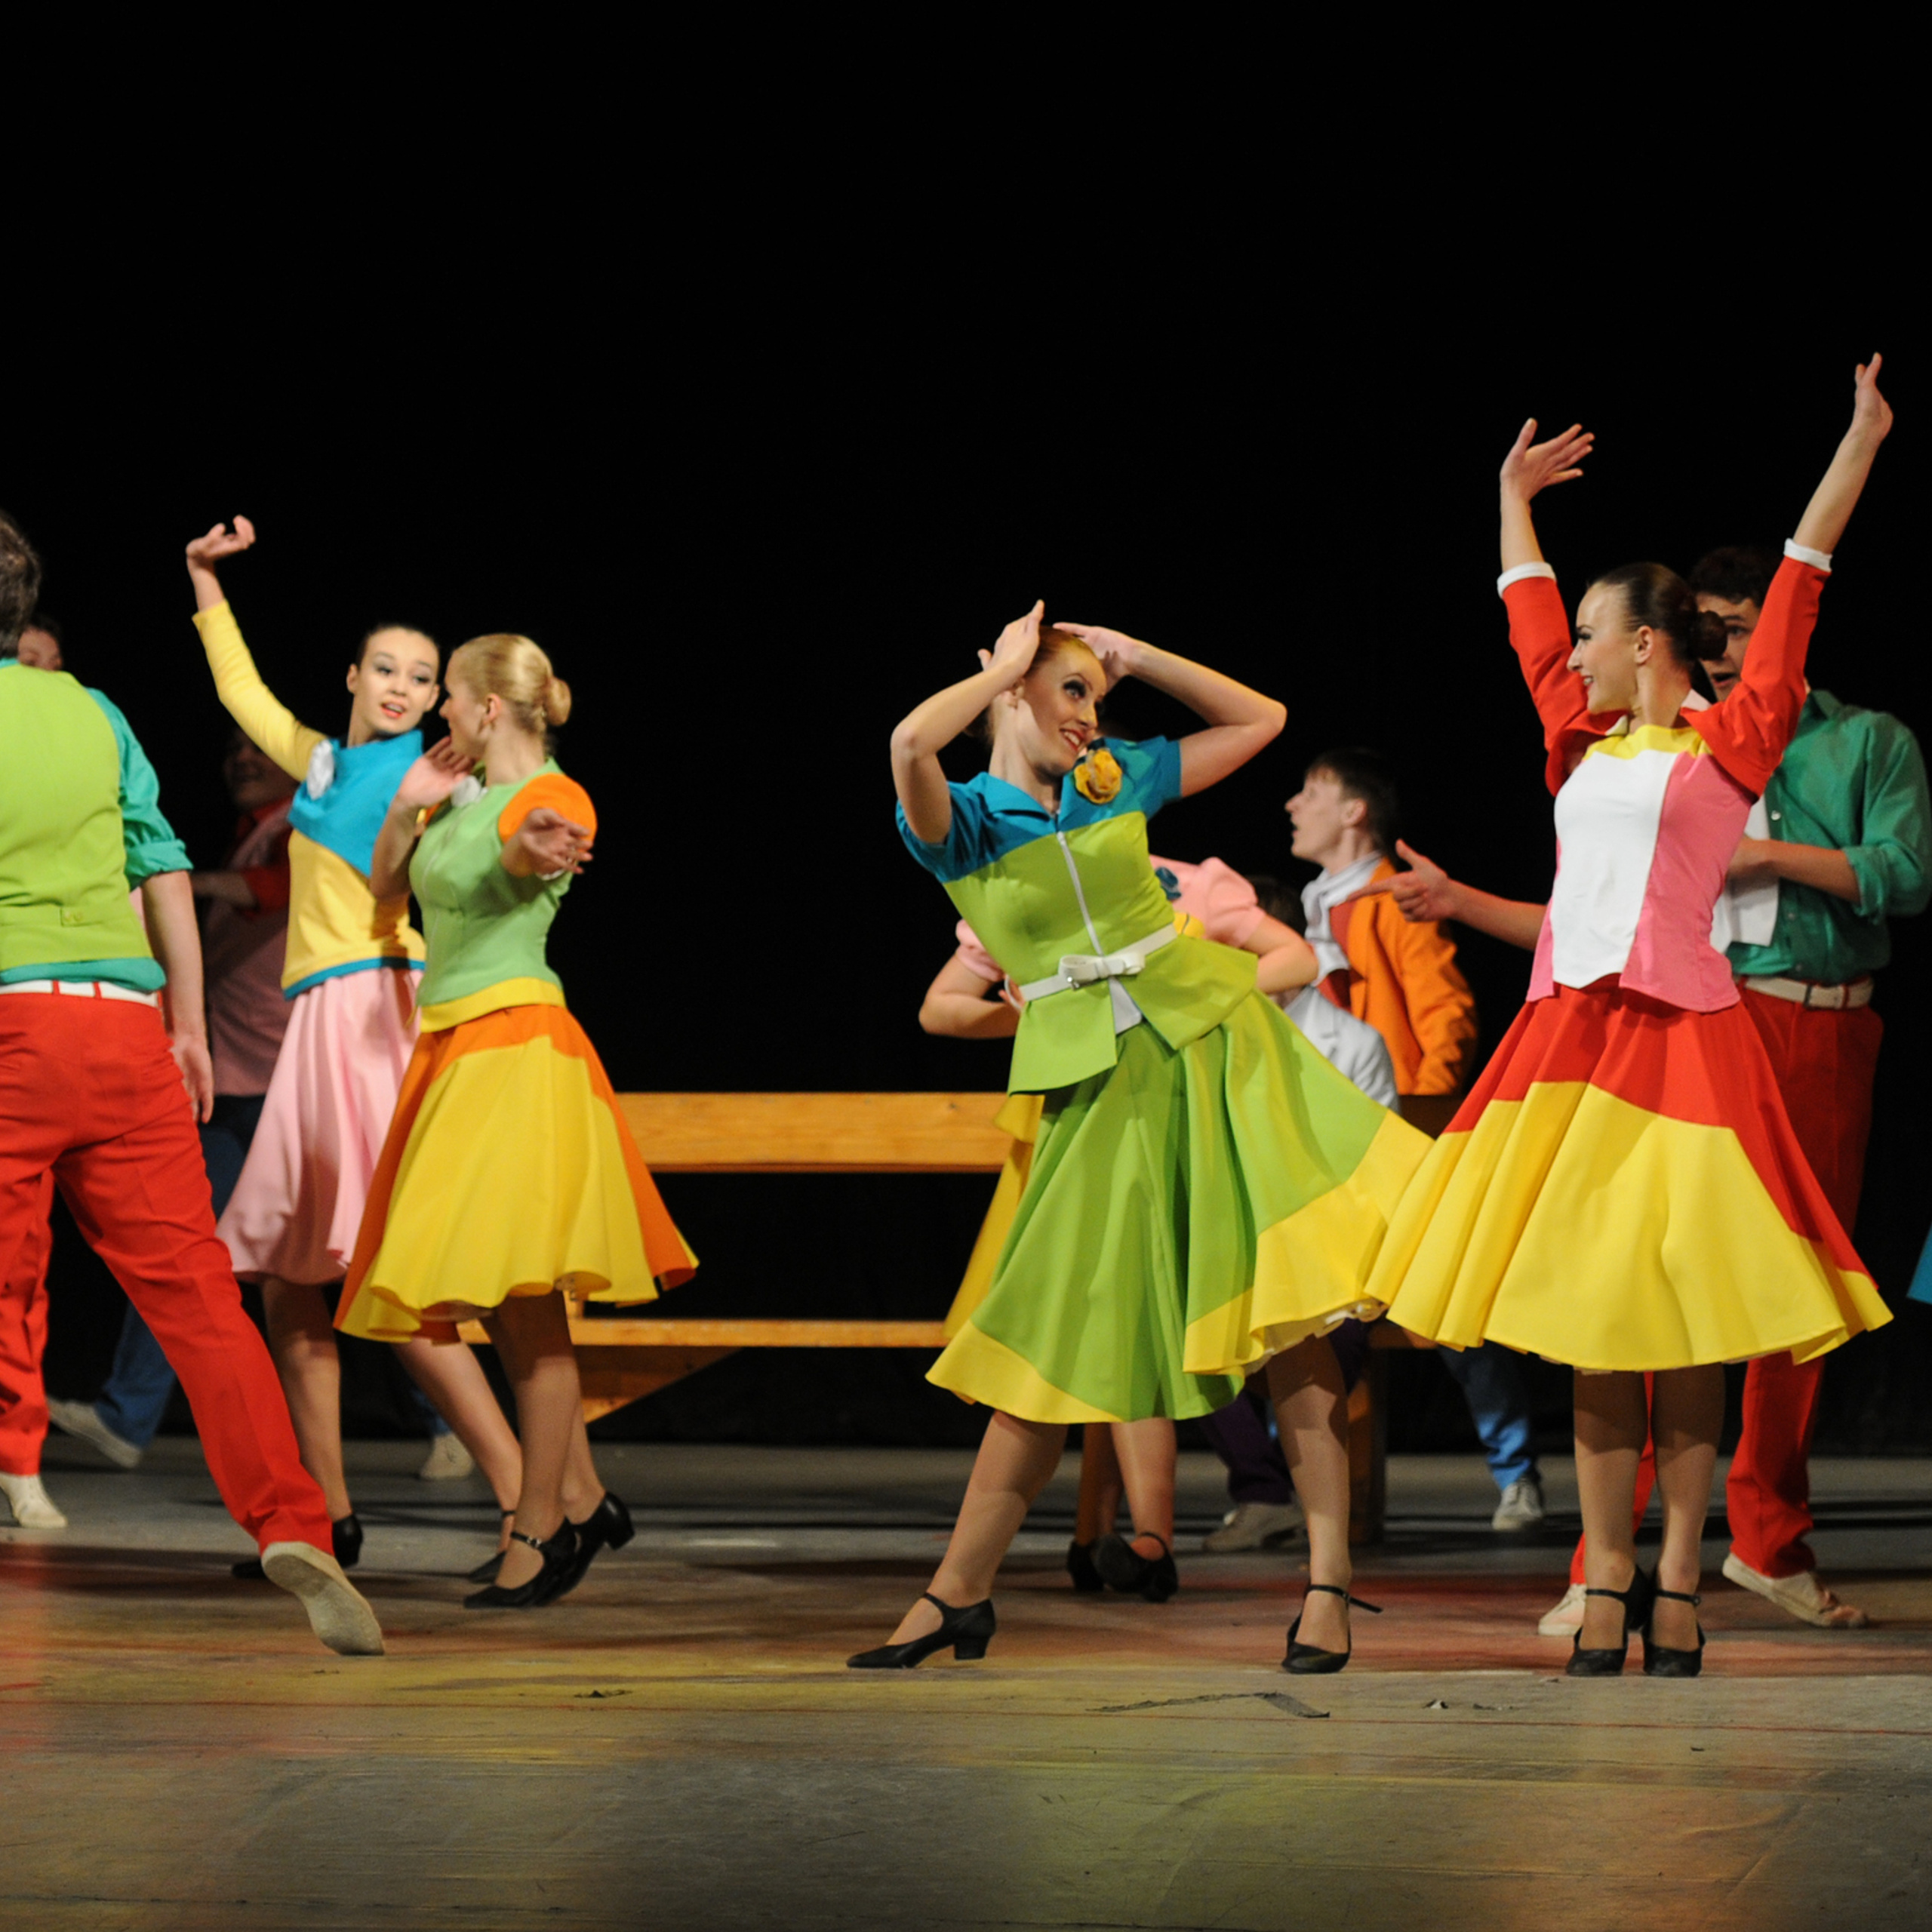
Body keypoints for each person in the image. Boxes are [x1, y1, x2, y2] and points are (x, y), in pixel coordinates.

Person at [1370, 361, 1896, 1681]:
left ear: (1648, 644)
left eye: (1598, 638)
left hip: (1688, 1047)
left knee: (1684, 1328)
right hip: (1567, 1047)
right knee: (1596, 1324)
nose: (1580, 655)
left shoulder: (1734, 741)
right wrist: (1511, 500)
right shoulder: (1579, 743)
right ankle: (1605, 1575)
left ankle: (1676, 1582)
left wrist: (1858, 443)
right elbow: (1527, 623)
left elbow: (1801, 583)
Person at [857, 605, 1428, 1673]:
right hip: (1096, 1088)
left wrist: (1140, 656)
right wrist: (1002, 671)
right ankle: (957, 1592)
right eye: (1070, 691)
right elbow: (908, 743)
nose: (1089, 715)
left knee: (1289, 1317)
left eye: (1096, 696)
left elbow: (1261, 720)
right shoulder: (963, 820)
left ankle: (1327, 1586)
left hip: (1212, 1053)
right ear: (1012, 687)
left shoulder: (1110, 780)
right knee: (1053, 1333)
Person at [0, 508, 380, 1653]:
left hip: (13, 1029)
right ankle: (293, 1521)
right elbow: (160, 863)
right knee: (204, 1305)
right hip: (127, 1029)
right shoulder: (93, 709)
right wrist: (188, 1023)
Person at [181, 520, 523, 1580]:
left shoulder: (436, 775)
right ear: (353, 676)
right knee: (291, 1280)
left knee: (390, 1277)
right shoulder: (323, 765)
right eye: (386, 667)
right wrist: (203, 580)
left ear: (437, 698)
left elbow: (489, 842)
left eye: (422, 676)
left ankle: (530, 1503)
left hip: (376, 1007)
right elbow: (242, 695)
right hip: (316, 1021)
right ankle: (327, 1515)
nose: (402, 686)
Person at [337, 632, 697, 1610]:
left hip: (515, 1047)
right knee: (488, 1300)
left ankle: (541, 1528)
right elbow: (385, 890)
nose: (439, 711)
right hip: (453, 1048)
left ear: (488, 707)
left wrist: (530, 844)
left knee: (525, 1303)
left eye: (449, 695)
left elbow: (529, 851)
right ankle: (579, 1499)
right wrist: (409, 806)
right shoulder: (457, 797)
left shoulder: (554, 798)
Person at [923, 853, 1322, 1588]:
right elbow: (939, 1007)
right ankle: (1088, 1541)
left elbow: (1295, 958)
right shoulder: (1025, 892)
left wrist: (1184, 998)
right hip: (1073, 1124)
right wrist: (1041, 1010)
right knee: (1079, 1326)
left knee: (1132, 1319)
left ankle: (1144, 1539)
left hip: (1172, 1119)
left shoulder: (1187, 885)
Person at [1294, 754, 1545, 1531]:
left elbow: (1448, 1013)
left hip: (1396, 1136)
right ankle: (1289, 1488)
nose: (1292, 804)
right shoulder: (1314, 904)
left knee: (1442, 1305)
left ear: (1355, 813)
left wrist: (1421, 1119)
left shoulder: (1386, 899)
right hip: (1326, 1144)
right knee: (1300, 1310)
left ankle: (1516, 1472)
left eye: (1311, 792)